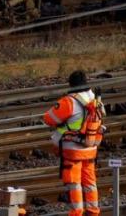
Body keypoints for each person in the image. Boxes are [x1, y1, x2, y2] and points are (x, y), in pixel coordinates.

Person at [43, 70, 106, 216]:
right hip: (90, 148)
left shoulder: (69, 101)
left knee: (74, 183)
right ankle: (93, 211)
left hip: (72, 150)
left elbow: (49, 119)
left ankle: (76, 213)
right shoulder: (94, 98)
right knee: (90, 183)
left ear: (71, 84)